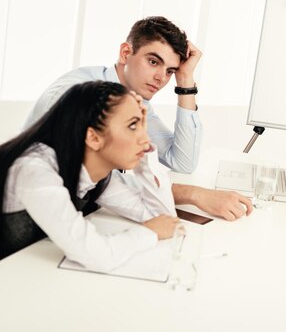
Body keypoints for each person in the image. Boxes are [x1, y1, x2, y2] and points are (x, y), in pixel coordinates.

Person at [24, 16, 252, 221]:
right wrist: (193, 194)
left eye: (170, 70)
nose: (161, 78)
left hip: (84, 214)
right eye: (153, 62)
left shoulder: (136, 101)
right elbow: (98, 182)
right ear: (125, 53)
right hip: (30, 221)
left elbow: (182, 161)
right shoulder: (77, 94)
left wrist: (185, 83)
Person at [0, 81, 180, 270]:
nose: (145, 138)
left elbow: (164, 218)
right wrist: (148, 233)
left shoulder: (97, 174)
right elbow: (96, 255)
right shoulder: (34, 169)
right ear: (93, 138)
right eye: (133, 126)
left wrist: (145, 158)